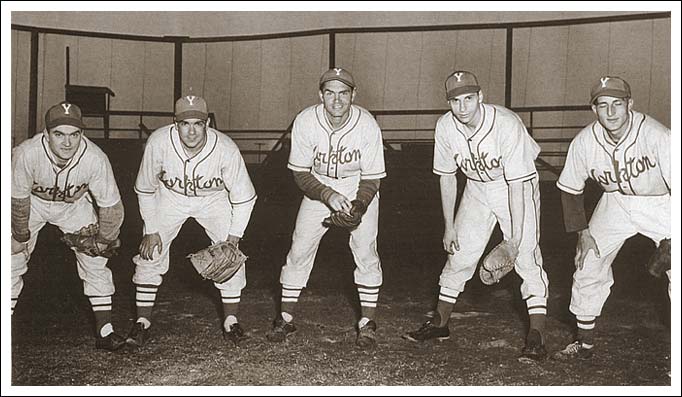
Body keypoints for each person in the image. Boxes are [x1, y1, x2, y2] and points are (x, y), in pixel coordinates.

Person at [402, 71, 549, 362]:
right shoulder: (445, 127)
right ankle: (440, 323)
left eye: (469, 98)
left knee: (527, 257)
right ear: (449, 103)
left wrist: (515, 240)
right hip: (476, 188)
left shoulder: (505, 124)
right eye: (456, 101)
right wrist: (448, 227)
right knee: (458, 253)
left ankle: (537, 335)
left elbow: (517, 184)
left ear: (480, 97)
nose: (463, 107)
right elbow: (446, 177)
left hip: (515, 185)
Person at [266, 68, 386, 349]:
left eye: (343, 93)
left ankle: (367, 323)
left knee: (366, 251)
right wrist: (327, 194)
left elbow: (372, 176)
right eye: (330, 93)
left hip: (358, 185)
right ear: (321, 95)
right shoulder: (307, 120)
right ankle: (285, 318)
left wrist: (359, 206)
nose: (337, 100)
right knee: (298, 249)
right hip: (318, 187)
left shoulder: (367, 124)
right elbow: (300, 172)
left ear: (353, 95)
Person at [553, 76, 670, 359]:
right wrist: (583, 232)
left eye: (617, 104)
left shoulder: (658, 136)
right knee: (587, 262)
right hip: (614, 202)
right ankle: (585, 342)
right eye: (603, 105)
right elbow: (570, 189)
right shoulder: (584, 142)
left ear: (630, 104)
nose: (611, 112)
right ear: (594, 109)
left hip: (662, 203)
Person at [126, 95, 257, 348]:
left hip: (214, 200)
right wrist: (151, 229)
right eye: (185, 124)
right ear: (175, 124)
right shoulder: (159, 142)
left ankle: (231, 320)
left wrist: (233, 238)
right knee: (150, 253)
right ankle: (142, 322)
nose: (192, 130)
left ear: (207, 124)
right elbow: (144, 189)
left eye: (198, 123)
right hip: (170, 198)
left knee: (230, 257)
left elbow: (245, 198)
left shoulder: (226, 149)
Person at [11, 101, 126, 351]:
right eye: (59, 134)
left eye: (74, 134)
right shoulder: (26, 153)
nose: (67, 142)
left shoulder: (95, 158)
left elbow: (112, 205)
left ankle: (105, 332)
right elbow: (17, 199)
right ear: (46, 133)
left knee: (96, 262)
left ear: (82, 134)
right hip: (32, 203)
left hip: (74, 205)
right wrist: (20, 235)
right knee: (10, 258)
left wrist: (104, 239)